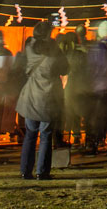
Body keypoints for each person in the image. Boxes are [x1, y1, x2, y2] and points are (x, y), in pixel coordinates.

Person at [15, 20, 68, 180]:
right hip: (48, 97)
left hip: (31, 95)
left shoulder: (29, 47)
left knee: (30, 134)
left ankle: (25, 171)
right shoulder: (54, 50)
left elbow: (21, 66)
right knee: (46, 135)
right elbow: (65, 68)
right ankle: (42, 172)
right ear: (48, 33)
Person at [85, 20, 107, 155]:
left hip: (96, 87)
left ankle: (94, 144)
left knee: (96, 116)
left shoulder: (93, 49)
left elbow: (89, 69)